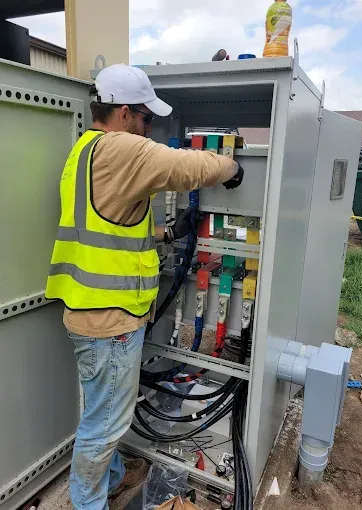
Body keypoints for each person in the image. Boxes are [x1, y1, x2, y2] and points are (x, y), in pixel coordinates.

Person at [45, 64, 244, 510]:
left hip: (91, 311)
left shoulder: (84, 152)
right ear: (121, 114)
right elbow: (188, 166)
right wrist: (231, 166)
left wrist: (171, 234)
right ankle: (88, 503)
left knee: (106, 412)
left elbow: (109, 227)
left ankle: (112, 480)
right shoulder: (121, 149)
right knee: (103, 427)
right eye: (146, 118)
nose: (148, 127)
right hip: (110, 320)